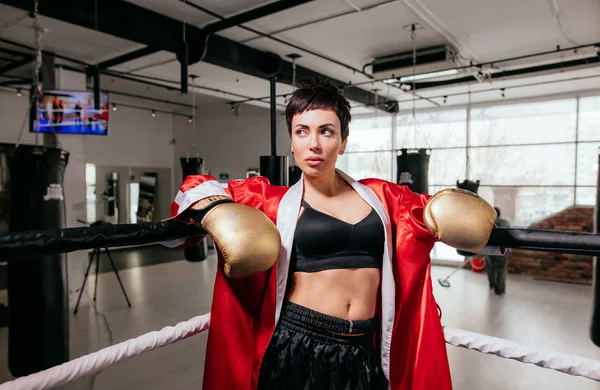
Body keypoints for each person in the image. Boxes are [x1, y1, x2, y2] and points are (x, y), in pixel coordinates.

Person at [164, 80, 502, 390]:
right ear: (292, 142)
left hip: (362, 348)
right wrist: (217, 211)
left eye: (326, 131)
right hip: (299, 342)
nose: (314, 144)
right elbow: (195, 188)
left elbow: (436, 211)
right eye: (302, 132)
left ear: (343, 141)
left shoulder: (383, 197)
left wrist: (475, 219)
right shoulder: (270, 201)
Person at [486, 207, 511, 295]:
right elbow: (510, 235)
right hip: (502, 249)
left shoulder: (487, 223)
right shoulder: (505, 223)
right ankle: (499, 289)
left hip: (489, 249)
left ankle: (492, 284)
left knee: (490, 267)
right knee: (501, 268)